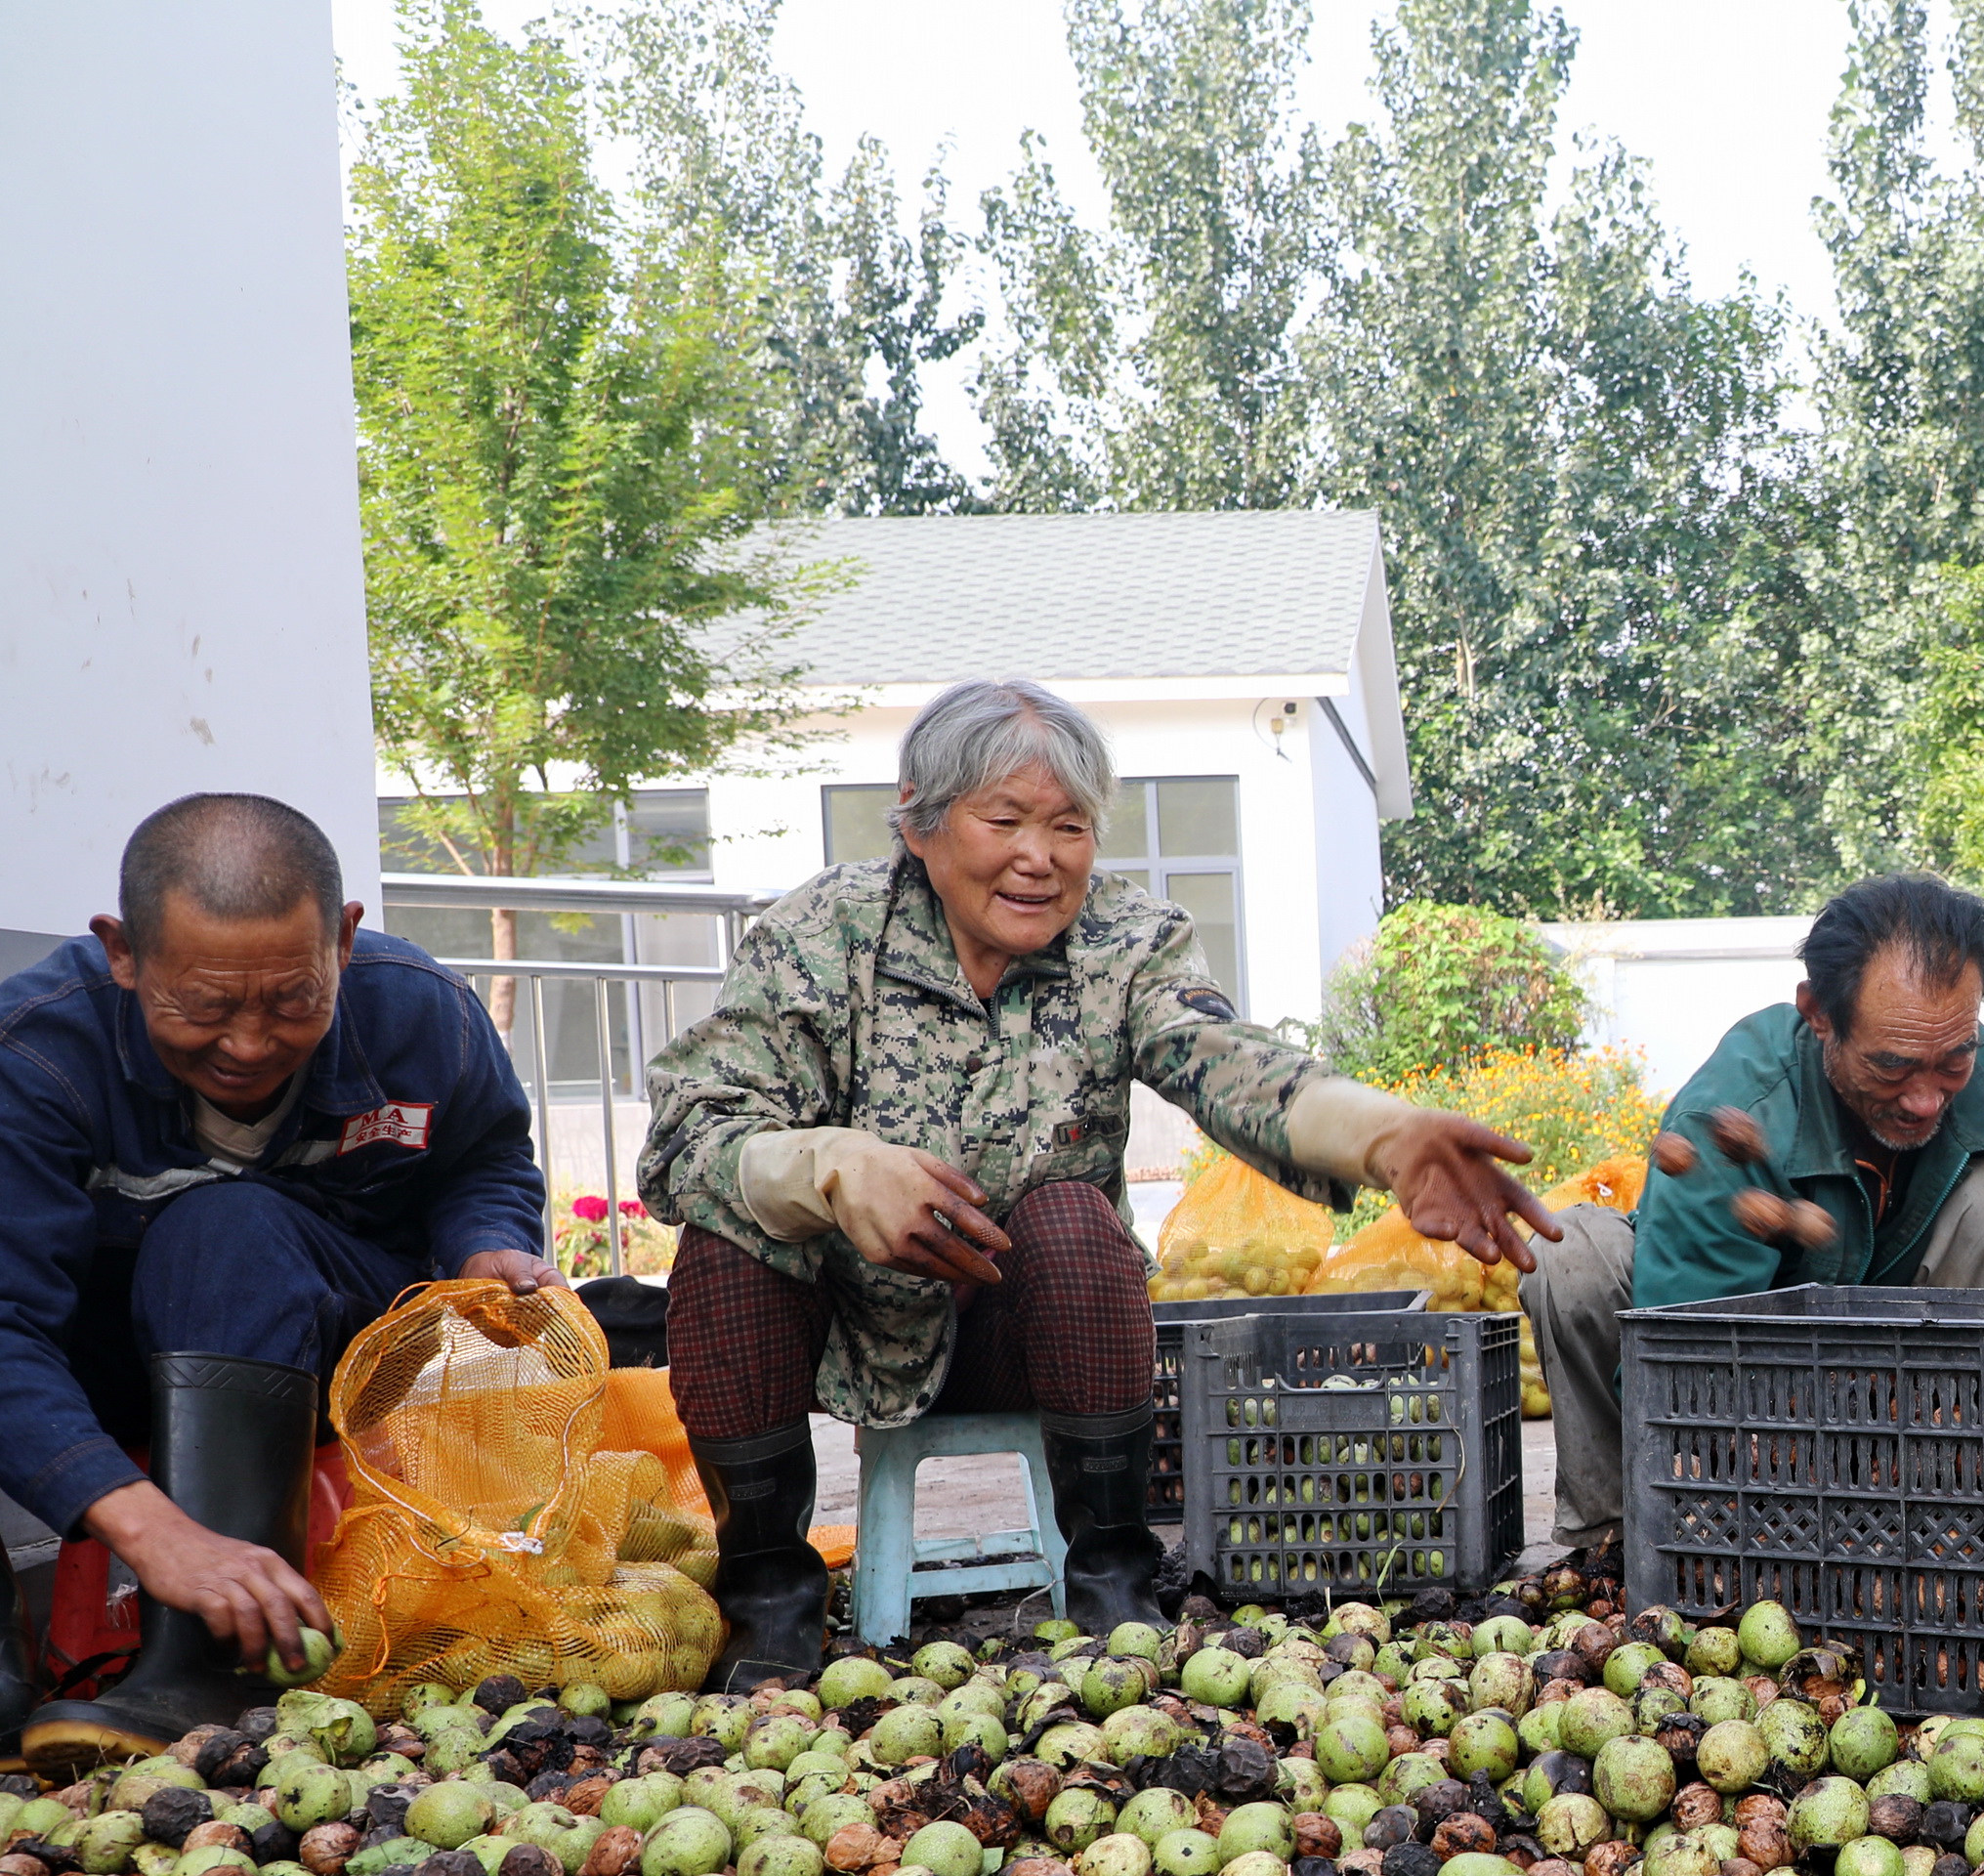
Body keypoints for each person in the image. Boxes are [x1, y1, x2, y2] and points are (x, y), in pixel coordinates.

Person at [640, 678, 1551, 1684]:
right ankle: (769, 1601)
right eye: (1006, 819)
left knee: (1073, 1216)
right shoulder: (823, 934)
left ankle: (1114, 1575)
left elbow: (1221, 1053)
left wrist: (1383, 1134)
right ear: (921, 821)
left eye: (1069, 825)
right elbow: (691, 1132)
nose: (1040, 855)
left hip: (1024, 1327)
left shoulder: (1126, 939)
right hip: (837, 1325)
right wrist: (828, 1165)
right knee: (725, 1240)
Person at [0, 794, 551, 1777]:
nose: (247, 1042)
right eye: (202, 1007)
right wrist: (156, 1532)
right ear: (122, 953)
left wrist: (487, 1243)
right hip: (101, 1365)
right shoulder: (26, 1056)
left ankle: (206, 1663)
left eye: (291, 1000)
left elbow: (484, 1158)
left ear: (346, 939)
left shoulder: (419, 1014)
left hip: (332, 1359)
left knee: (223, 1225)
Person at [1525, 875, 1984, 1551]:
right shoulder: (1734, 1114)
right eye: (1892, 1066)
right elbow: (1682, 1359)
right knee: (1572, 1256)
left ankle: (1936, 1526)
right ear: (1818, 1015)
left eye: (1953, 1059)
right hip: (1750, 1385)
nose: (1925, 1100)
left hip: (1909, 1382)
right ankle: (1624, 1545)